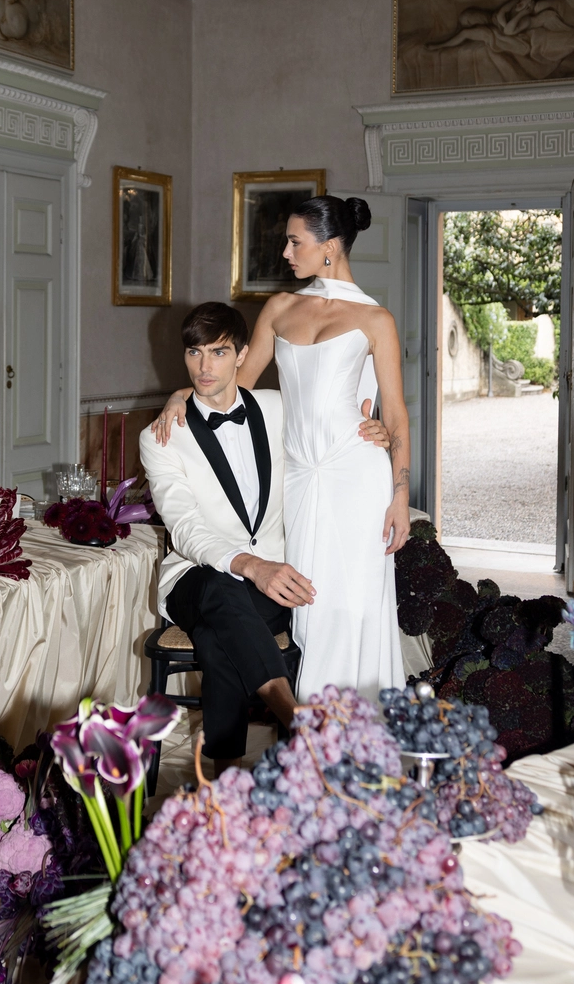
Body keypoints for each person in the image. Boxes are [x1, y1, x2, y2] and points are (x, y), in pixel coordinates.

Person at [152, 195, 410, 702]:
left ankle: (355, 727)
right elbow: (233, 389)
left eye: (295, 242)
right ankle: (309, 727)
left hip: (356, 474)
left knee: (354, 604)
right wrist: (178, 394)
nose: (287, 253)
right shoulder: (279, 308)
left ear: (329, 247)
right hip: (298, 476)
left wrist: (400, 495)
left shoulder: (376, 319)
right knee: (310, 603)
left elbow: (396, 414)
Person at [139, 299, 388, 770]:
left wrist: (376, 431)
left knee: (218, 636)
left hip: (270, 581)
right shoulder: (160, 436)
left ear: (243, 353)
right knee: (217, 590)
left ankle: (225, 772)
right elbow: (185, 526)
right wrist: (251, 565)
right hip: (196, 578)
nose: (204, 366)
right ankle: (294, 718)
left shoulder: (276, 408)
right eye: (194, 353)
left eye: (217, 352)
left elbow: (332, 428)